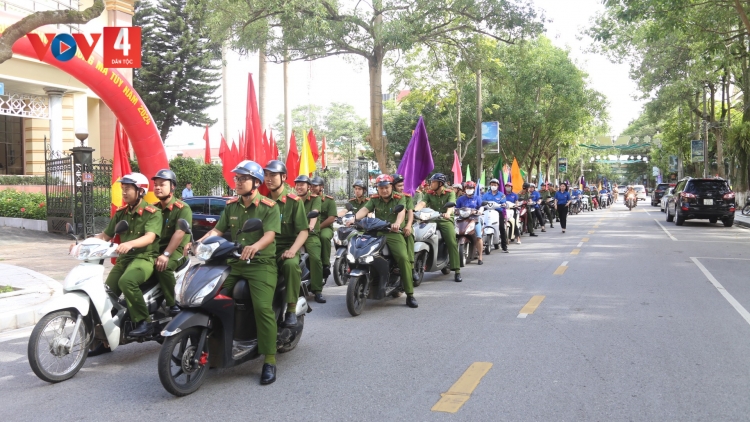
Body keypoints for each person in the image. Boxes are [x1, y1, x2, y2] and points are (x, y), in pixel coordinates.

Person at [198, 160, 280, 385]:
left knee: (263, 308)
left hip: (261, 264)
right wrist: (200, 241)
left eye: (243, 178)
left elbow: (270, 235)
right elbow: (218, 229)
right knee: (210, 296)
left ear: (256, 182)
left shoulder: (268, 207)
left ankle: (269, 360)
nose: (238, 182)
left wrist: (255, 247)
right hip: (234, 263)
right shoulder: (232, 206)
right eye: (237, 178)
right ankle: (215, 344)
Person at [93, 173, 162, 337]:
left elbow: (150, 237)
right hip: (124, 259)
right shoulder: (121, 213)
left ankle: (145, 321)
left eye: (128, 189)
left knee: (127, 281)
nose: (124, 192)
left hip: (145, 258)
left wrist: (130, 243)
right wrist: (82, 243)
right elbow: (105, 236)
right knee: (107, 291)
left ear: (140, 191)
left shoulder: (152, 213)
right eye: (123, 189)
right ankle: (107, 328)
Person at [355, 174, 417, 308]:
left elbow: (402, 213)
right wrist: (353, 218)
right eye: (381, 188)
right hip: (376, 232)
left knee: (402, 257)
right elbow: (365, 209)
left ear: (391, 187)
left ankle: (410, 294)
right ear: (377, 188)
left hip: (392, 233)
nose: (384, 190)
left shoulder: (399, 198)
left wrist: (397, 223)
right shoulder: (375, 199)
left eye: (387, 187)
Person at [263, 160, 308, 328]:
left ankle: (290, 308)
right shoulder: (262, 201)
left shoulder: (294, 201)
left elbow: (303, 230)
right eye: (266, 175)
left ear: (283, 177)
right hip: (265, 249)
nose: (268, 179)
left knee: (290, 265)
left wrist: (292, 250)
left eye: (273, 175)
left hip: (286, 248)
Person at [151, 169, 192, 316]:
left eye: (162, 184)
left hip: (177, 251)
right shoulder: (154, 208)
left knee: (163, 267)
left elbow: (179, 233)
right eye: (155, 184)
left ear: (172, 187)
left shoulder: (182, 208)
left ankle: (172, 303)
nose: (157, 187)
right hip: (157, 249)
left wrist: (166, 254)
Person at [415, 173, 462, 282]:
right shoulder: (429, 193)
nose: (431, 184)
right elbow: (422, 203)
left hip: (445, 220)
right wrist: (414, 211)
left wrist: (447, 213)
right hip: (431, 219)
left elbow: (451, 206)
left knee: (451, 241)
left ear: (440, 183)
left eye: (433, 182)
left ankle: (457, 271)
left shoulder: (450, 193)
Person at [295, 175, 325, 303]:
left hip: (310, 234)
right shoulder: (292, 200)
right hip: (294, 234)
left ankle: (317, 290)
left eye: (302, 184)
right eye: (297, 184)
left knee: (315, 258)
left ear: (308, 187)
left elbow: (315, 213)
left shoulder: (315, 199)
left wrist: (311, 226)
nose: (299, 187)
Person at [311, 176, 337, 283]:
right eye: (311, 185)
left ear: (321, 187)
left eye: (315, 186)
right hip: (310, 227)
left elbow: (332, 218)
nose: (312, 188)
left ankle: (326, 264)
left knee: (324, 237)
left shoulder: (329, 201)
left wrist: (318, 227)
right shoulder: (308, 199)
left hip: (324, 227)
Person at [392, 174, 417, 281]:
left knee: (409, 235)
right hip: (387, 225)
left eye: (402, 185)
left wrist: (408, 225)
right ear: (393, 187)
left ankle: (411, 268)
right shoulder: (385, 197)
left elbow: (410, 213)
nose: (402, 188)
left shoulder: (406, 197)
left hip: (403, 225)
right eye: (399, 186)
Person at [456, 181, 484, 264]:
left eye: (471, 188)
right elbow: (456, 208)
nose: (469, 189)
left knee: (478, 236)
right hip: (462, 219)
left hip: (474, 219)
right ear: (465, 189)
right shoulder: (460, 199)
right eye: (468, 188)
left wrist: (479, 211)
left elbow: (481, 207)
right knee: (455, 235)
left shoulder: (477, 198)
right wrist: (455, 211)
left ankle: (480, 257)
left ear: (474, 189)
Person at [481, 178, 508, 253]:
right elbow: (482, 202)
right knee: (482, 226)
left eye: (495, 185)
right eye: (492, 185)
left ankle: (504, 246)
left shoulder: (501, 195)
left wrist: (503, 204)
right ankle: (481, 244)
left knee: (502, 228)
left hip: (497, 212)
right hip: (487, 212)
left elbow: (503, 203)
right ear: (490, 185)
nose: (493, 186)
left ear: (498, 186)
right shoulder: (486, 195)